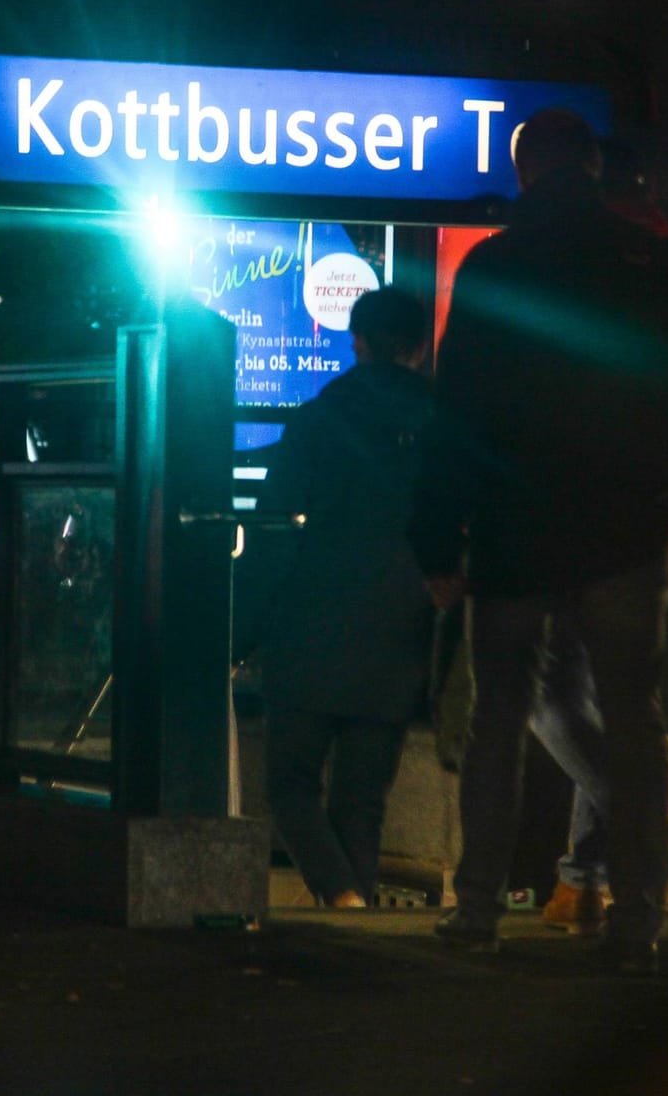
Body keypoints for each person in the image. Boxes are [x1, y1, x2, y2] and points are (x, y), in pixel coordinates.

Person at [411, 108, 668, 970]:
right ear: (595, 168)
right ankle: (639, 920)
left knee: (498, 719)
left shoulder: (494, 267)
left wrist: (437, 542)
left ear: (524, 171)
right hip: (625, 534)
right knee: (635, 723)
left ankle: (478, 909)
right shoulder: (658, 267)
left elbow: (456, 416)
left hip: (513, 536)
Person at [241, 286, 434, 909]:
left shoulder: (319, 419)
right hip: (401, 630)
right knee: (363, 800)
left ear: (359, 343)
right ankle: (359, 912)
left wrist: (243, 631)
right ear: (421, 347)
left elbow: (274, 531)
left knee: (290, 786)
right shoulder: (441, 424)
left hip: (310, 626)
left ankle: (345, 898)